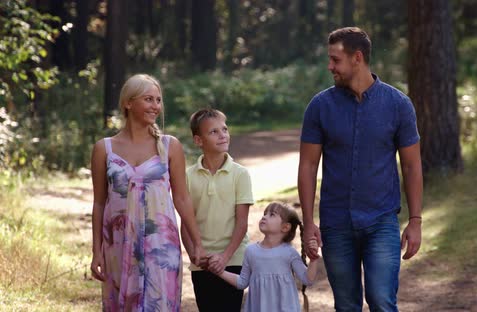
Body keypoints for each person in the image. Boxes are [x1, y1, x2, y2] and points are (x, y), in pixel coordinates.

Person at [298, 27, 424, 311]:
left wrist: (415, 220)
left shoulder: (398, 105)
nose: (330, 67)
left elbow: (412, 165)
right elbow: (307, 165)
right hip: (336, 223)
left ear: (357, 58)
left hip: (381, 221)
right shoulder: (319, 107)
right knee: (346, 305)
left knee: (381, 300)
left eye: (335, 60)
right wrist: (308, 222)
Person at [90, 74, 205, 311]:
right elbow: (100, 203)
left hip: (161, 246)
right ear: (128, 103)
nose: (155, 106)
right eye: (148, 99)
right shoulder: (104, 149)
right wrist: (96, 251)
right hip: (119, 245)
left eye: (159, 100)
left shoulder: (169, 146)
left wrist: (198, 244)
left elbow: (182, 198)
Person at [181, 108, 254, 312]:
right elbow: (186, 222)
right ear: (198, 140)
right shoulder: (187, 176)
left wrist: (224, 257)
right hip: (201, 262)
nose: (222, 135)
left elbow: (241, 222)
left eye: (225, 129)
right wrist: (194, 254)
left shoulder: (240, 174)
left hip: (234, 259)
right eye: (213, 132)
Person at [216, 202, 319, 312]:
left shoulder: (289, 252)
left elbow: (307, 279)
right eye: (264, 214)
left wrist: (313, 260)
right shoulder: (251, 251)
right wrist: (219, 271)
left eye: (272, 214)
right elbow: (242, 282)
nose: (264, 217)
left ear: (285, 227)